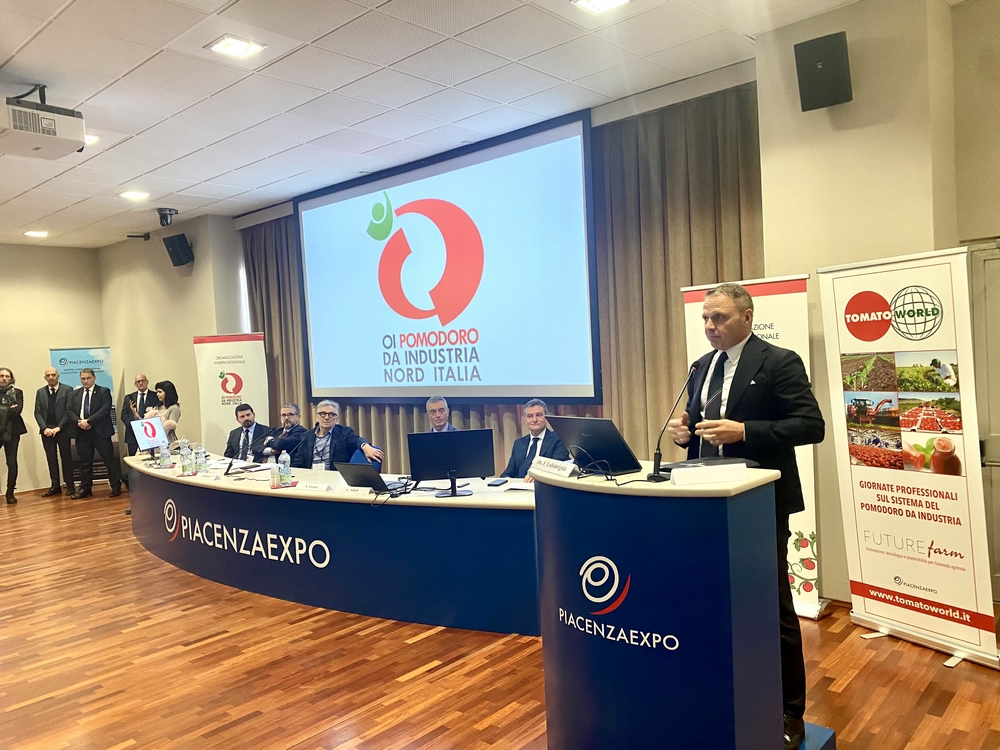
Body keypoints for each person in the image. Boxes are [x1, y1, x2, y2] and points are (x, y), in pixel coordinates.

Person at [666, 282, 824, 750]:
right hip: (703, 500)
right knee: (707, 601)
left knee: (773, 607)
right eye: (705, 318)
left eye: (719, 317)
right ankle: (715, 691)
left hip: (757, 504)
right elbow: (697, 427)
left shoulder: (778, 361)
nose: (710, 326)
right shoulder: (702, 366)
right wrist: (683, 434)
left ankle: (789, 711)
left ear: (747, 317)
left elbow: (810, 425)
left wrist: (746, 431)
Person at [275, 400, 382, 470]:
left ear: (336, 419)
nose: (326, 417)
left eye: (331, 414)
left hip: (335, 479)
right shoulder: (307, 436)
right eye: (323, 414)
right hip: (311, 478)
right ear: (317, 417)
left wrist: (366, 447)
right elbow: (299, 462)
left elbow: (357, 440)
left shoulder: (344, 432)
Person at [67, 368, 123, 499]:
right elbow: (69, 411)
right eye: (83, 378)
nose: (85, 381)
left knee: (109, 461)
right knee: (85, 463)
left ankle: (115, 486)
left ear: (94, 378)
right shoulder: (74, 394)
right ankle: (85, 489)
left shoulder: (103, 391)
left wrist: (89, 421)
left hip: (100, 432)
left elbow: (105, 409)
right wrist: (80, 422)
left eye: (88, 378)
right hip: (81, 432)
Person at [501, 399, 570, 482]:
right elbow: (508, 473)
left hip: (544, 486)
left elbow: (558, 468)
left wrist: (537, 476)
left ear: (546, 418)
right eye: (530, 416)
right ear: (525, 421)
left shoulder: (559, 439)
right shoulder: (519, 443)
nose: (534, 420)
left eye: (539, 415)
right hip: (520, 486)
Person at [33, 367, 75, 497]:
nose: (51, 377)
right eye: (48, 375)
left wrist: (59, 427)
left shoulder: (67, 389)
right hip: (47, 432)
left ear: (58, 376)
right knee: (51, 459)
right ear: (45, 377)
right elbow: (37, 412)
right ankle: (55, 486)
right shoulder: (40, 392)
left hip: (62, 431)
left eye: (53, 375)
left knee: (66, 458)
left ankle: (70, 486)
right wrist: (44, 428)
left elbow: (69, 411)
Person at [0, 367, 27, 504]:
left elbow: (17, 411)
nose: (4, 378)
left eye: (7, 376)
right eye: (1, 376)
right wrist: (7, 409)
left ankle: (10, 493)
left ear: (11, 378)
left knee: (11, 462)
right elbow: (10, 411)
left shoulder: (17, 392)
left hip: (13, 431)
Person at [120, 374, 155, 456]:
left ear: (147, 382)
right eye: (138, 382)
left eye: (143, 381)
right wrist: (133, 426)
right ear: (135, 384)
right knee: (133, 460)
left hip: (149, 434)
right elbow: (124, 415)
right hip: (132, 435)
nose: (141, 383)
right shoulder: (129, 397)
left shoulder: (155, 396)